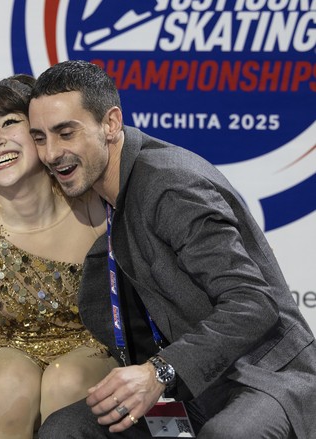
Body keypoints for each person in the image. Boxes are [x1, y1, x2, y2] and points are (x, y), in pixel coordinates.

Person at [28, 60, 316, 438]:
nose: (51, 153)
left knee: (227, 434)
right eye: (39, 137)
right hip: (189, 386)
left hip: (261, 375)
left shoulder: (169, 186)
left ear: (111, 124)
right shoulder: (110, 191)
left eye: (66, 133)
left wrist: (160, 371)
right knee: (65, 429)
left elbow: (252, 303)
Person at [0, 75, 118, 439]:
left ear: (39, 134)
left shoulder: (95, 205)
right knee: (9, 383)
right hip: (4, 350)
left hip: (90, 347)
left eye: (9, 123)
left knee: (67, 382)